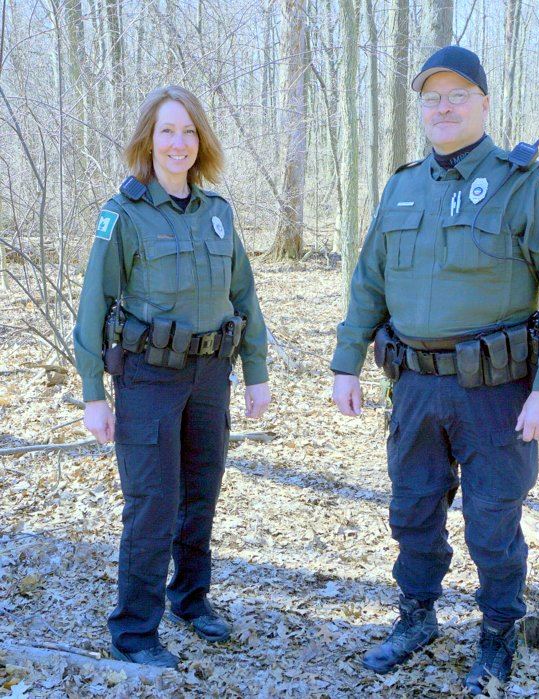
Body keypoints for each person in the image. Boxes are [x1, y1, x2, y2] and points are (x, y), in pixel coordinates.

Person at [331, 46, 539, 693]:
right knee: (413, 510)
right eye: (431, 98)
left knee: (492, 521)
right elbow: (370, 280)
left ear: (483, 102)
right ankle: (416, 619)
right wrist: (346, 362)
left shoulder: (526, 183)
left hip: (496, 391)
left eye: (456, 95)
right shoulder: (403, 185)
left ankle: (497, 635)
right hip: (414, 384)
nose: (442, 108)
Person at [74, 85, 271, 668]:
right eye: (167, 131)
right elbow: (93, 304)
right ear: (148, 140)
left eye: (188, 131)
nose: (178, 143)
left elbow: (244, 294)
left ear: (200, 140)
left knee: (200, 496)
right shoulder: (124, 214)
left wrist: (256, 371)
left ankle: (190, 598)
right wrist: (92, 394)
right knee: (152, 504)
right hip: (149, 380)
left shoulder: (218, 213)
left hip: (212, 375)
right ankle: (134, 631)